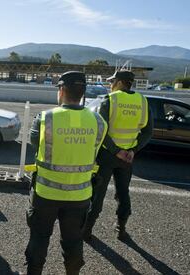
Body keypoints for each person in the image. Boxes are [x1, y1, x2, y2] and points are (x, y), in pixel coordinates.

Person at [24, 71, 107, 275]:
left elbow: (35, 143)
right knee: (73, 242)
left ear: (61, 90)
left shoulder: (45, 118)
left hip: (46, 194)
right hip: (79, 196)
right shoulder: (98, 122)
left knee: (39, 239)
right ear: (83, 93)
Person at [83, 70, 153, 241]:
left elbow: (101, 131)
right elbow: (147, 132)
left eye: (112, 81)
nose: (110, 84)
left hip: (107, 156)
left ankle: (86, 231)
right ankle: (121, 229)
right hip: (127, 158)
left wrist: (116, 151)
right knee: (123, 193)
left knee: (97, 194)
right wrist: (132, 151)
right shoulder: (142, 101)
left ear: (120, 82)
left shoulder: (110, 100)